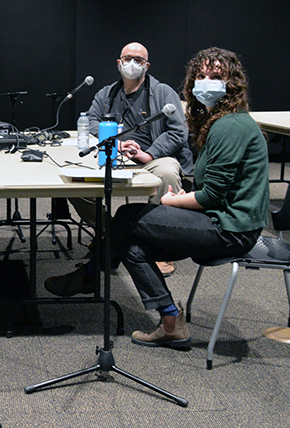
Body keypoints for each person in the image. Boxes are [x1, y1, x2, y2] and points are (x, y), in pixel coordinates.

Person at [59, 47, 269, 349]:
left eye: (216, 76)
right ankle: (170, 321)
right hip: (219, 216)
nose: (206, 81)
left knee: (127, 217)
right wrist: (188, 197)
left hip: (232, 229)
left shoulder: (229, 126)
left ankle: (90, 273)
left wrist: (174, 202)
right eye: (201, 75)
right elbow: (215, 188)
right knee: (130, 244)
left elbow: (212, 196)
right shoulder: (220, 122)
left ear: (232, 84)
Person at [48, 42, 193, 295]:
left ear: (147, 66)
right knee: (72, 182)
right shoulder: (107, 93)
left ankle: (160, 247)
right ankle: (108, 230)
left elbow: (178, 132)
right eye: (127, 58)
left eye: (138, 60)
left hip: (153, 157)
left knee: (168, 173)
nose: (132, 64)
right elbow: (91, 120)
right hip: (114, 154)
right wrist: (113, 138)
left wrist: (149, 153)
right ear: (119, 62)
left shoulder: (163, 92)